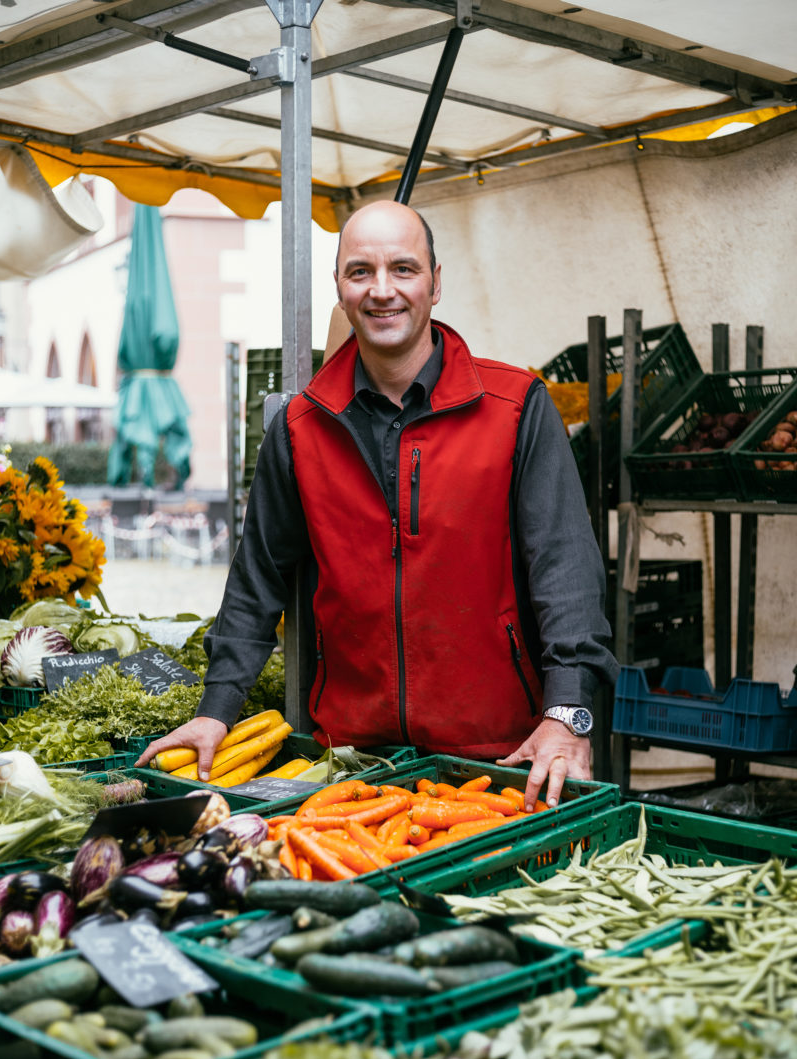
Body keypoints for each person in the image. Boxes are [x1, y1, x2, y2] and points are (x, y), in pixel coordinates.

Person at [138, 200, 618, 808]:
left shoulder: (515, 407)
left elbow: (565, 570)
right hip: (351, 762)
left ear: (436, 283)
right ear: (338, 287)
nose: (381, 290)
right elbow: (257, 579)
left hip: (501, 757)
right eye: (360, 271)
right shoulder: (300, 428)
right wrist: (217, 710)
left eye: (404, 269)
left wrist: (568, 711)